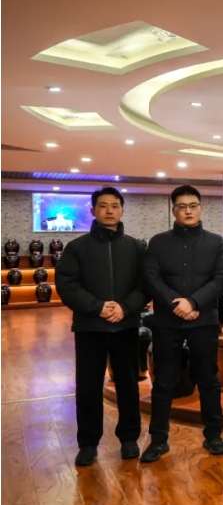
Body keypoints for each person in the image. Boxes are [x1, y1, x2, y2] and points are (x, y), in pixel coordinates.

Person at [55, 187, 148, 466]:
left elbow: (145, 285)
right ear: (93, 210)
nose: (109, 211)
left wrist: (125, 307)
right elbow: (66, 284)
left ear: (122, 210)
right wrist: (97, 307)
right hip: (89, 328)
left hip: (126, 326)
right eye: (103, 206)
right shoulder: (77, 248)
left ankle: (129, 438)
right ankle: (88, 442)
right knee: (88, 386)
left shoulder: (136, 247)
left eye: (115, 206)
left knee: (128, 385)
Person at [140, 185, 223, 462]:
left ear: (201, 208)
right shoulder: (158, 242)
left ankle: (213, 435)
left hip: (204, 320)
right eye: (182, 206)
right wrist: (176, 305)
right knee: (164, 380)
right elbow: (151, 279)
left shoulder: (215, 242)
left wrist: (192, 302)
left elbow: (221, 278)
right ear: (174, 211)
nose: (188, 211)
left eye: (193, 205)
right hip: (167, 321)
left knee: (208, 378)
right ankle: (158, 440)